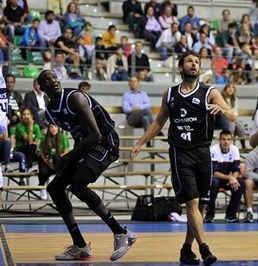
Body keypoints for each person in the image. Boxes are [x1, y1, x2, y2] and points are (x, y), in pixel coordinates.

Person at [131, 52, 236, 265]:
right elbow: (159, 122)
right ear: (181, 68)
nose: (194, 64)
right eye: (189, 61)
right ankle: (205, 249)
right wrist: (140, 142)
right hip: (180, 152)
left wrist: (223, 110)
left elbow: (233, 115)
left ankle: (187, 249)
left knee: (201, 207)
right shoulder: (169, 94)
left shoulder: (210, 92)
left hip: (203, 152)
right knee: (192, 202)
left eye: (197, 62)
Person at [38, 69, 136, 261]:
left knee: (78, 185)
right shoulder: (50, 112)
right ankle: (80, 245)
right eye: (47, 80)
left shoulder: (75, 98)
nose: (53, 81)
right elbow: (79, 135)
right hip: (85, 146)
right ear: (41, 88)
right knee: (55, 187)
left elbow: (95, 135)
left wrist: (67, 158)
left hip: (105, 142)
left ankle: (122, 233)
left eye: (54, 77)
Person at [207, 130, 244, 223]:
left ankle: (231, 215)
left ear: (231, 141)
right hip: (216, 178)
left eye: (228, 139)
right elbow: (214, 173)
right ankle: (209, 215)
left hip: (227, 179)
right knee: (213, 182)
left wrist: (234, 178)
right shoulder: (213, 150)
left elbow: (237, 170)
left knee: (241, 183)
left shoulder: (234, 149)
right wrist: (230, 178)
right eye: (223, 139)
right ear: (219, 140)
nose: (226, 142)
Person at [37, 124, 70, 198]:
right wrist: (48, 162)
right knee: (43, 172)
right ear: (48, 128)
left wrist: (55, 160)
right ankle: (42, 187)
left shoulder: (63, 137)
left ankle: (61, 186)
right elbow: (42, 153)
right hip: (47, 161)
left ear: (58, 128)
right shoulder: (44, 138)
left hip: (59, 162)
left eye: (56, 126)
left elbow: (66, 152)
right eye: (51, 127)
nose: (53, 128)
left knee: (56, 156)